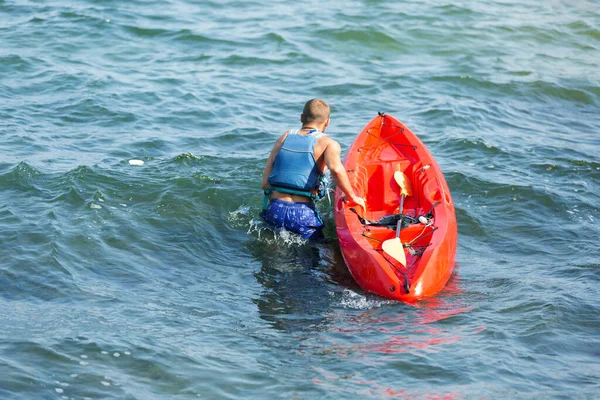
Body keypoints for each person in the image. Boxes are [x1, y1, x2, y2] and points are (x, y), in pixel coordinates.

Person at [260, 99, 365, 240]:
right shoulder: (328, 144)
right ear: (327, 122)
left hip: (274, 208)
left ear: (301, 117)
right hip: (303, 213)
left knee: (275, 256)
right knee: (316, 253)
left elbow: (265, 183)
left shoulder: (285, 136)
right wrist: (352, 197)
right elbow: (336, 170)